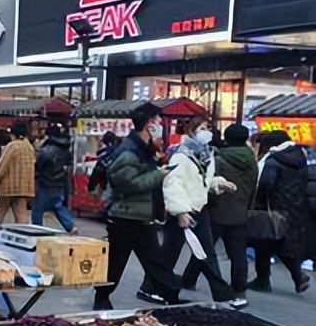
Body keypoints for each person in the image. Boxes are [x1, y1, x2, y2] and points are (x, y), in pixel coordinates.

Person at [98, 103, 184, 310]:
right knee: (117, 262)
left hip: (140, 216)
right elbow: (126, 183)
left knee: (154, 261)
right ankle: (101, 297)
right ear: (148, 124)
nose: (159, 125)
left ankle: (171, 297)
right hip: (125, 217)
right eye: (156, 121)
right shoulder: (129, 151)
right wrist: (158, 175)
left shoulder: (143, 148)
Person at [159, 116, 244, 308]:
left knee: (205, 253)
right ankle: (155, 287)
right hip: (183, 210)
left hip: (199, 208)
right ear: (192, 130)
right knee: (172, 254)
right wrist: (180, 211)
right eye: (203, 128)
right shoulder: (181, 155)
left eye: (209, 128)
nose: (207, 132)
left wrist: (220, 183)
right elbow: (172, 183)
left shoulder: (207, 155)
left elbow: (202, 181)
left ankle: (222, 295)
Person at [184, 124, 256, 295]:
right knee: (238, 252)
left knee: (204, 248)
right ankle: (239, 286)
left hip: (217, 210)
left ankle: (189, 279)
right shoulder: (252, 160)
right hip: (240, 212)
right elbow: (253, 187)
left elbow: (210, 182)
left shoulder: (218, 156)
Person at [249, 130, 311, 294]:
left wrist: (258, 203)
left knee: (263, 241)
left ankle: (263, 280)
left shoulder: (273, 160)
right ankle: (298, 277)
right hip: (295, 207)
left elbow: (266, 184)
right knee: (281, 242)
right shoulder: (300, 157)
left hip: (273, 207)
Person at [0, 122, 35, 224]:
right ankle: (21, 236)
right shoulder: (29, 147)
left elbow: (3, 164)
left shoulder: (12, 146)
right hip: (24, 187)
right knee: (21, 215)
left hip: (8, 187)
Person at [32, 124, 76, 233]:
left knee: (38, 208)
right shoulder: (65, 150)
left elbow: (38, 166)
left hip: (45, 183)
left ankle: (37, 229)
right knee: (59, 206)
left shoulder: (45, 150)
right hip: (60, 183)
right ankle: (70, 226)